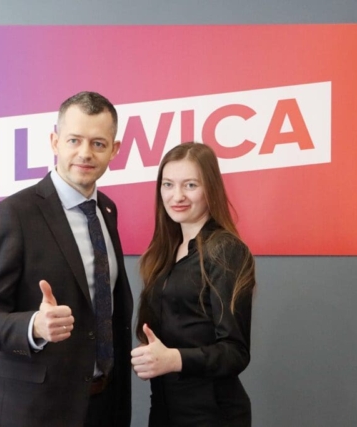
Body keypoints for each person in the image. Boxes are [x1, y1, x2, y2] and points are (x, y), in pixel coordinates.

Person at [0, 91, 133, 427]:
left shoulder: (106, 210)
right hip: (37, 411)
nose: (85, 153)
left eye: (98, 143)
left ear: (114, 150)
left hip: (103, 405)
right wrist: (34, 326)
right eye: (74, 140)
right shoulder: (14, 214)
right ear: (55, 141)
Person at [131, 142, 256, 427]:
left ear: (210, 189)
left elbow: (235, 352)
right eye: (168, 185)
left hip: (211, 414)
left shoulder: (225, 249)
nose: (177, 196)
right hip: (165, 408)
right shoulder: (165, 251)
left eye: (190, 185)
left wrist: (173, 359)